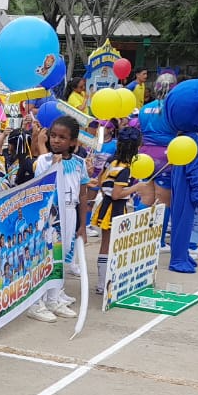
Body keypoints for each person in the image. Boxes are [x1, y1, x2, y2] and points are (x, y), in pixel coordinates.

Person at [27, 115, 86, 323]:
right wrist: (53, 165)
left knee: (61, 256)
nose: (56, 140)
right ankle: (36, 303)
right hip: (49, 213)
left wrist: (82, 225)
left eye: (62, 137)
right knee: (45, 256)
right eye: (53, 136)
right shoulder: (43, 161)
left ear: (73, 141)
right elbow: (40, 187)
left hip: (69, 212)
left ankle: (53, 299)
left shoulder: (79, 163)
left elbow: (83, 194)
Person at [94, 127, 142, 293]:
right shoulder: (125, 169)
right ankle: (104, 283)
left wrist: (105, 193)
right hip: (115, 209)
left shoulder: (111, 161)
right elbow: (117, 194)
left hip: (106, 205)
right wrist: (136, 187)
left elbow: (100, 180)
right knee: (111, 245)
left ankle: (103, 282)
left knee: (106, 244)